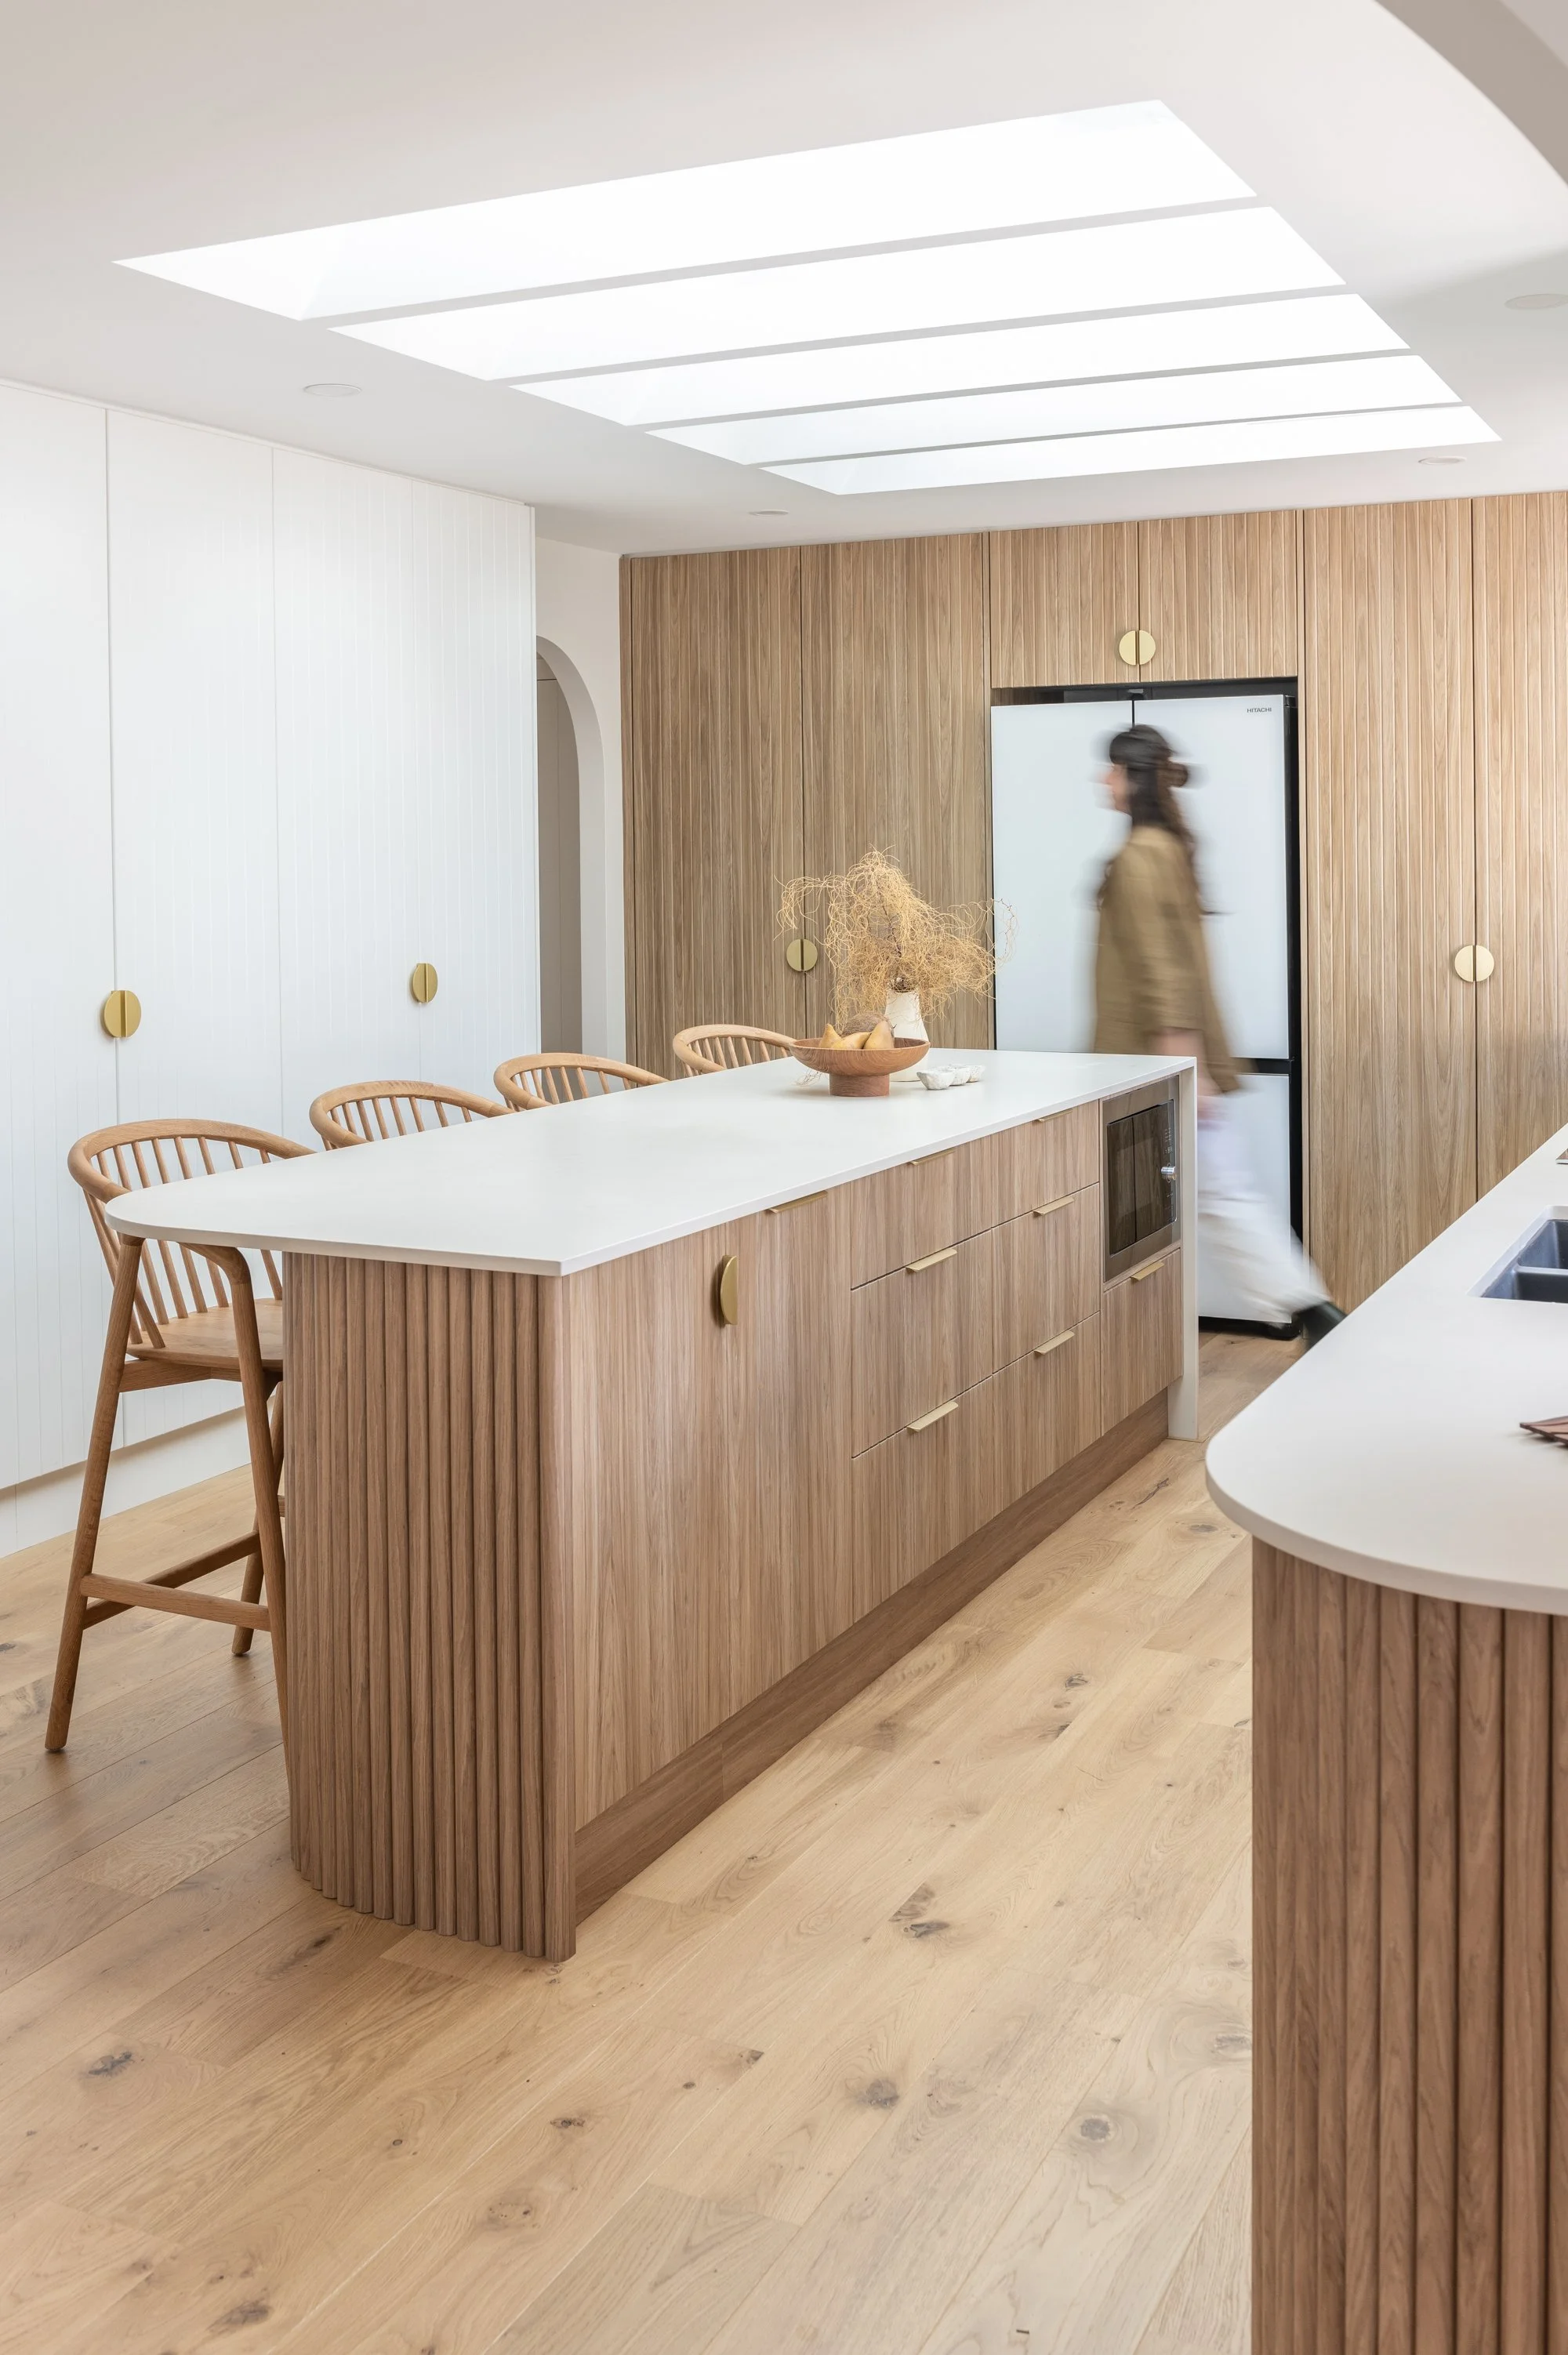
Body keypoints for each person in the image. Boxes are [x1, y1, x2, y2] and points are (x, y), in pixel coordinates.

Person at [1091, 722, 1344, 1346]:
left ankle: (1317, 1315)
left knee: (1215, 1196)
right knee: (1207, 1197)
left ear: (1132, 779)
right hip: (1161, 1063)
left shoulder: (1142, 855)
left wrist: (1188, 1069)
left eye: (1112, 769)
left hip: (1154, 1066)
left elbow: (1164, 969)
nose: (1103, 779)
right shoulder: (1166, 848)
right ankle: (1310, 1312)